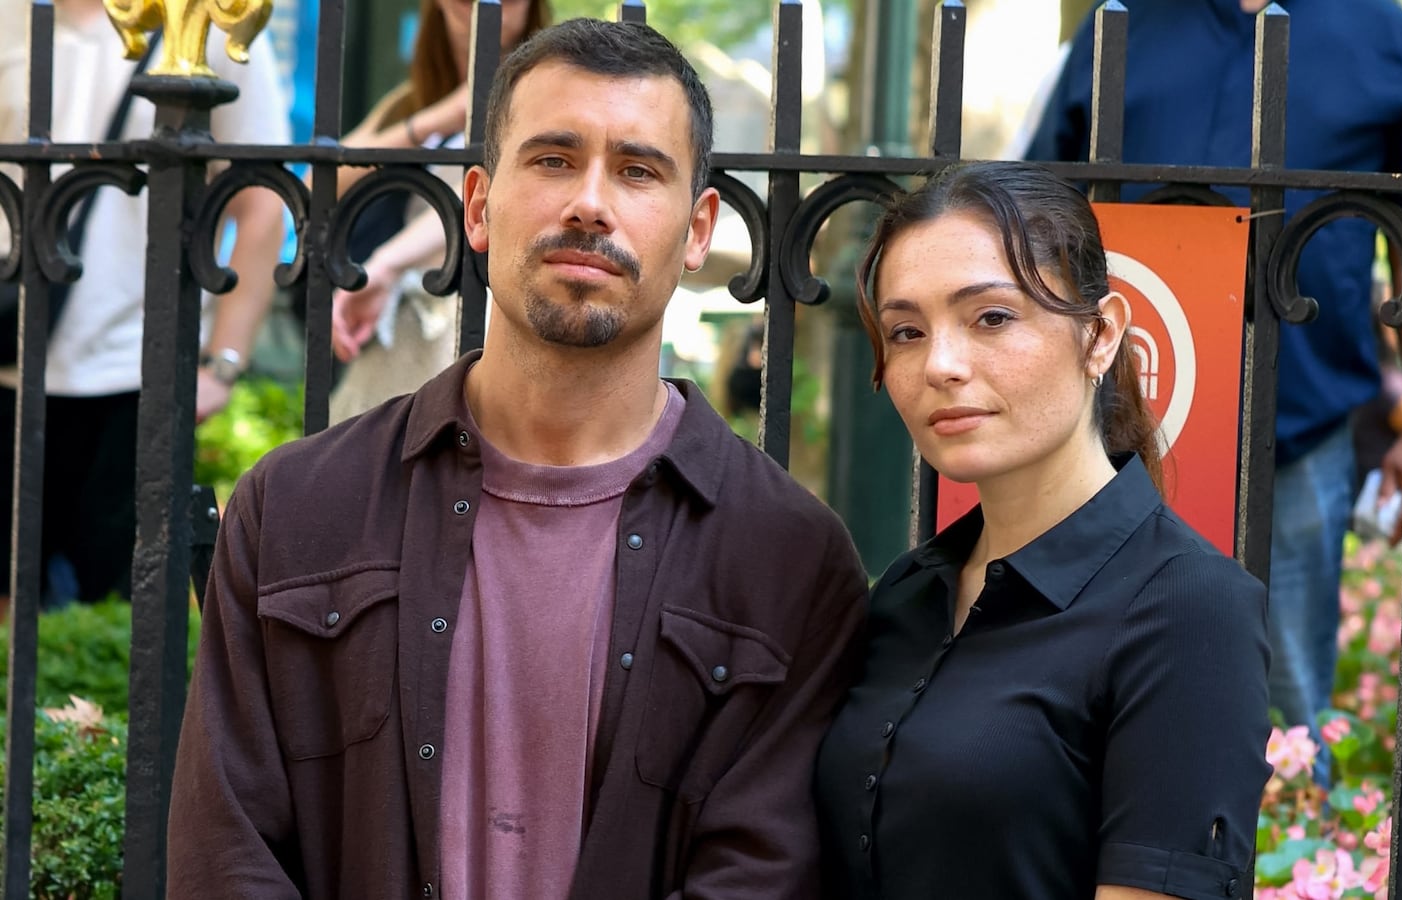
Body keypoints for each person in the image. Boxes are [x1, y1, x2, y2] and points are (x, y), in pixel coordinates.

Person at [168, 18, 869, 900]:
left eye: (637, 170)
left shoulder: (789, 558)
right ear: (477, 206)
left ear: (697, 232)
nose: (589, 202)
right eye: (552, 159)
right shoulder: (298, 508)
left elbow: (760, 876)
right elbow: (224, 856)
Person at [815, 162, 1271, 900]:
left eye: (992, 317)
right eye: (906, 331)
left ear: (1101, 336)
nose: (940, 365)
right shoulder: (908, 591)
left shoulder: (1188, 607)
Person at [1021, 0, 1402, 734]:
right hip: (1112, 432)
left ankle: (1291, 814)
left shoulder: (1387, 36)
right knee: (1077, 691)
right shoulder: (1120, 21)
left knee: (1285, 708)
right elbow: (1035, 214)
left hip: (1298, 432)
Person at [0, 0, 289, 606]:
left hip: (138, 365)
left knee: (126, 611)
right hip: (8, 352)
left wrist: (223, 361)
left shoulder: (213, 15)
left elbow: (261, 198)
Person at [323, 0, 550, 423]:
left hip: (476, 317)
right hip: (398, 322)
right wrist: (433, 120)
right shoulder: (414, 98)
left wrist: (387, 263)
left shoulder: (546, 92)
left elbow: (483, 200)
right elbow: (318, 181)